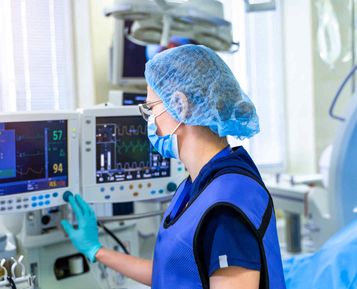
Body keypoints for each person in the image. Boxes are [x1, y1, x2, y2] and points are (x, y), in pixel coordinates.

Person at [61, 45, 286, 289]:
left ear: (180, 105)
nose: (150, 122)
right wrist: (97, 250)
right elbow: (175, 274)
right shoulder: (196, 185)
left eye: (151, 108)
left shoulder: (226, 204)